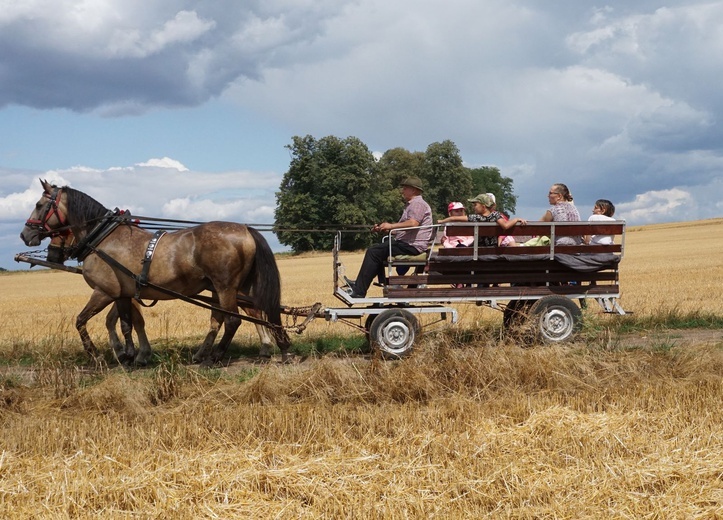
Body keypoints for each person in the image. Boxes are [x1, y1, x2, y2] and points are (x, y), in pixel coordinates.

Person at [345, 176, 433, 298]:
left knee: (373, 252)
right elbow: (405, 230)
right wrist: (385, 229)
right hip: (407, 243)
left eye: (405, 188)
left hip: (412, 246)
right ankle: (361, 284)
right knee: (377, 250)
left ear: (413, 190)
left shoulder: (417, 203)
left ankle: (359, 290)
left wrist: (391, 226)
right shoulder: (412, 204)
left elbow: (413, 224)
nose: (403, 191)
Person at [439, 193, 527, 246]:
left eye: (475, 205)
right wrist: (516, 219)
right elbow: (505, 226)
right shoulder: (495, 215)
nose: (474, 207)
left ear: (483, 206)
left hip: (478, 251)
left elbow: (454, 218)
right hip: (492, 249)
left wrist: (442, 221)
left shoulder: (475, 218)